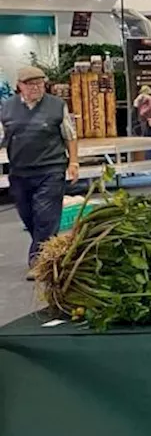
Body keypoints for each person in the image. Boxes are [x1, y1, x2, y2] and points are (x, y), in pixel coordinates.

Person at [0, 66, 79, 279]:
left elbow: (70, 136)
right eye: (30, 84)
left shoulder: (56, 105)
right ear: (19, 86)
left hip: (51, 169)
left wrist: (73, 162)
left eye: (39, 83)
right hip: (19, 171)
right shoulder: (6, 108)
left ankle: (38, 261)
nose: (36, 87)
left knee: (46, 215)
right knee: (28, 216)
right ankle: (49, 251)